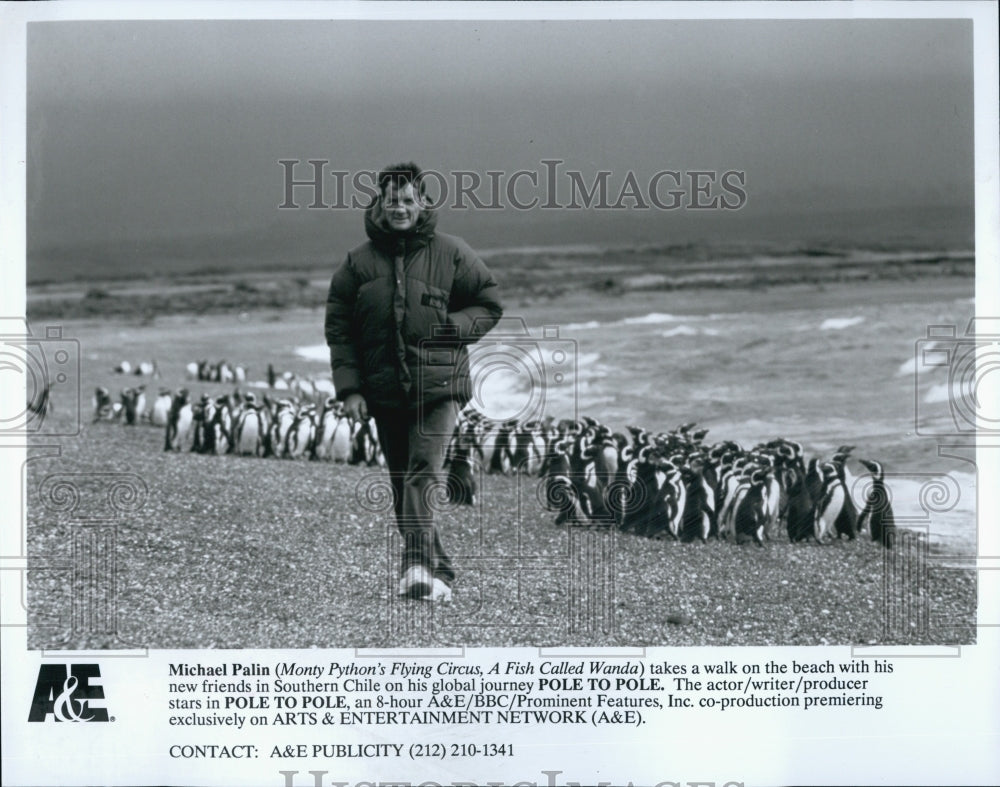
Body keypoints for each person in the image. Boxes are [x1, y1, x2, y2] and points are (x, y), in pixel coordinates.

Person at [324, 162, 503, 603]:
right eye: (392, 201)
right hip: (384, 390)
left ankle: (415, 565)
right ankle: (436, 568)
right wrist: (350, 390)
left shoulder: (452, 252)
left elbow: (488, 303)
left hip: (439, 387)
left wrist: (450, 326)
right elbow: (340, 330)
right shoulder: (357, 263)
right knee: (404, 478)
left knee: (424, 470)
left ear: (422, 202)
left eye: (407, 200)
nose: (400, 208)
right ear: (380, 206)